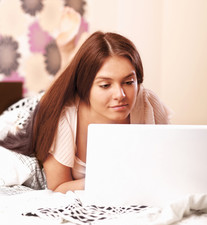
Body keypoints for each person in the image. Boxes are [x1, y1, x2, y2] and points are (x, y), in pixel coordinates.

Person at [0, 31, 171, 193]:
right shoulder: (64, 115)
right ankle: (66, 54)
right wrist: (117, 181)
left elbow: (169, 162)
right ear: (85, 86)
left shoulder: (148, 103)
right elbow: (58, 187)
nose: (120, 95)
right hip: (25, 119)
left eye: (128, 82)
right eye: (105, 85)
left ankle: (68, 55)